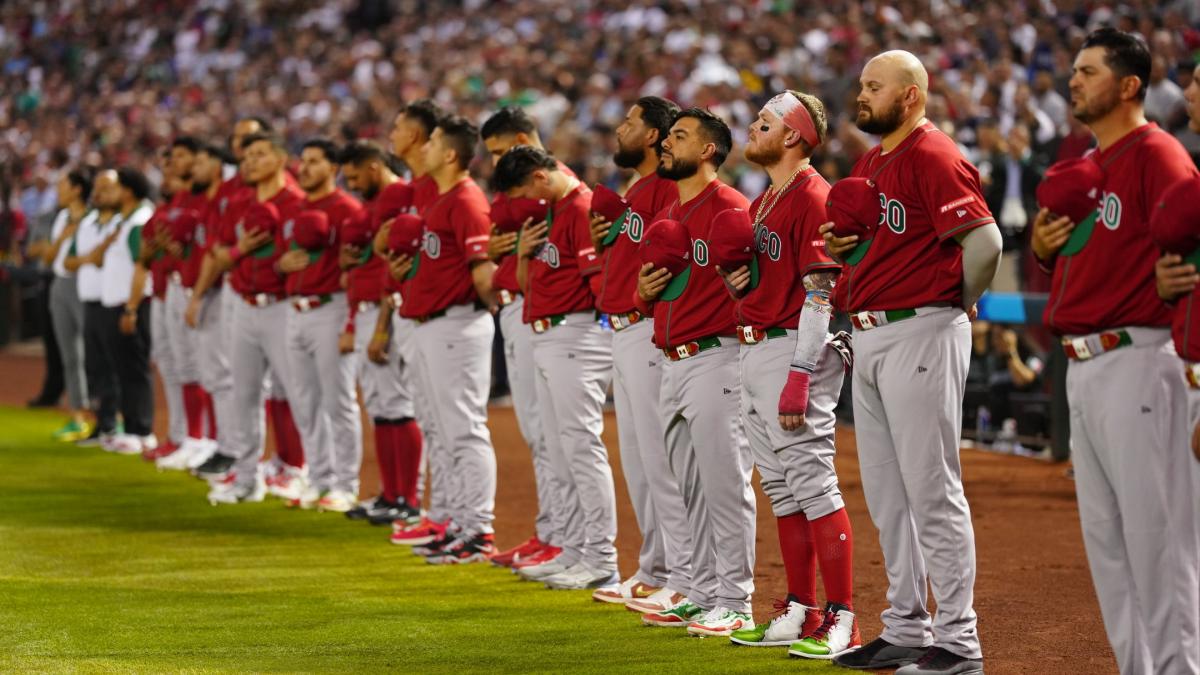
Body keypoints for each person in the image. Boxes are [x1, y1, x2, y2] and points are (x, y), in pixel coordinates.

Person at [820, 49, 1001, 674]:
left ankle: (958, 641)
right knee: (888, 493)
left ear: (911, 96)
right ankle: (905, 625)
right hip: (870, 333)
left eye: (876, 86)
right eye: (863, 84)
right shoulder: (873, 161)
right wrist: (846, 245)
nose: (862, 95)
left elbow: (985, 240)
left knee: (931, 489)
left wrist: (960, 301)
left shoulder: (932, 153)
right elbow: (877, 240)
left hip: (921, 327)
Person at [1031, 28, 1199, 675]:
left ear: (1129, 86)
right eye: (1073, 69)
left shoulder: (1157, 153)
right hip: (1084, 363)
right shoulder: (1083, 166)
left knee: (1158, 541)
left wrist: (1173, 278)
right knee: (1108, 545)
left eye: (1089, 70)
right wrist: (1046, 248)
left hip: (1139, 355)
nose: (1074, 79)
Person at [715, 91, 858, 658]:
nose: (751, 129)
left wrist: (802, 373)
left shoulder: (814, 196)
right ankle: (802, 607)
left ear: (794, 135)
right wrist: (736, 283)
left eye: (764, 122)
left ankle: (842, 616)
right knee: (780, 487)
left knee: (813, 483)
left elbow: (820, 292)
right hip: (756, 346)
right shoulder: (763, 203)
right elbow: (759, 285)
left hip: (792, 347)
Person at [633, 108, 757, 638]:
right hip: (672, 358)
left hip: (717, 356)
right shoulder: (673, 215)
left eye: (679, 137)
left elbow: (755, 288)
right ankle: (703, 590)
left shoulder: (730, 207)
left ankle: (737, 600)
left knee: (726, 486)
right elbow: (651, 298)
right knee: (690, 487)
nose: (666, 144)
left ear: (708, 151)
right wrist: (642, 294)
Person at [492, 146, 619, 590]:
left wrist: (608, 338)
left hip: (576, 335)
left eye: (524, 190)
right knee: (561, 449)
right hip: (547, 333)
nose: (523, 200)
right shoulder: (554, 210)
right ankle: (574, 549)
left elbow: (599, 284)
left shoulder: (580, 207)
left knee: (580, 448)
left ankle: (602, 558)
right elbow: (532, 283)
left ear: (540, 179)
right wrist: (524, 255)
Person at [587, 97, 693, 607]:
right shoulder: (639, 189)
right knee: (640, 461)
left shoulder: (667, 188)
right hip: (622, 331)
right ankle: (655, 564)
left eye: (630, 122)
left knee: (663, 460)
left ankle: (683, 574)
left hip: (649, 331)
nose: (620, 128)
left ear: (653, 135)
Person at [387, 115, 498, 563]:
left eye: (431, 141)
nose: (425, 147)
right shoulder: (441, 199)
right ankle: (455, 519)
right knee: (441, 428)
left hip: (456, 323)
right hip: (433, 323)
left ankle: (477, 529)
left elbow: (483, 275)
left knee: (463, 429)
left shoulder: (467, 200)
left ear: (450, 153)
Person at [477, 106, 562, 569]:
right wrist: (495, 247)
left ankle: (562, 536)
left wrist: (500, 247)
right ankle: (550, 531)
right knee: (537, 432)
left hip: (541, 312)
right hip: (514, 308)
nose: (497, 162)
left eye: (503, 149)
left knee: (550, 433)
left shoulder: (550, 186)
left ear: (528, 137)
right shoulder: (513, 191)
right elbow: (491, 243)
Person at [208, 131, 306, 504]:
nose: (250, 162)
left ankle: (301, 471)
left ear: (280, 160)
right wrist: (241, 249)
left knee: (299, 393)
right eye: (247, 156)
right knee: (244, 394)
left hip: (282, 306)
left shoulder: (296, 201)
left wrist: (284, 265)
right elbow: (219, 256)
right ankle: (248, 478)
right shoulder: (238, 202)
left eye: (260, 154)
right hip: (243, 304)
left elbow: (306, 256)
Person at [340, 136, 426, 527]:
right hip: (366, 309)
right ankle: (391, 493)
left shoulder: (399, 197)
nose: (352, 184)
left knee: (396, 403)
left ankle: (407, 498)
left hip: (385, 311)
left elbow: (394, 268)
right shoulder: (377, 203)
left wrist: (380, 327)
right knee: (380, 404)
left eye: (355, 176)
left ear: (373, 166)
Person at [279, 138, 365, 512]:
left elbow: (357, 266)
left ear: (334, 168)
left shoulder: (347, 208)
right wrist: (282, 266)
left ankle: (346, 485)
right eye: (304, 160)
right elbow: (285, 258)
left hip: (331, 307)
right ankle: (319, 478)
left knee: (338, 401)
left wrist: (350, 322)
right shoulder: (297, 207)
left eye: (315, 161)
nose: (306, 168)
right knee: (305, 401)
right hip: (294, 310)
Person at [63, 170, 123, 448]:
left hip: (115, 301)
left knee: (116, 366)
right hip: (90, 301)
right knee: (95, 367)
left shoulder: (124, 222)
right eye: (97, 189)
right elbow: (68, 262)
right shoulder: (87, 223)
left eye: (106, 188)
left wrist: (89, 259)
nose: (98, 194)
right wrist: (92, 256)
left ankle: (120, 425)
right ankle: (103, 425)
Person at [100, 168, 157, 454]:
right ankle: (130, 426)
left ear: (129, 191)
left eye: (117, 188)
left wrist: (132, 308)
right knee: (123, 369)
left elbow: (141, 267)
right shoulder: (124, 221)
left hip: (131, 304)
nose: (111, 193)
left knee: (135, 369)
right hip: (119, 303)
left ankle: (142, 430)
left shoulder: (139, 221)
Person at [42, 168, 94, 442]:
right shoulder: (62, 217)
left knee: (95, 353)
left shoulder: (94, 217)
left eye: (62, 185)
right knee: (69, 355)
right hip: (60, 283)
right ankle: (77, 414)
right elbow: (49, 257)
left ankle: (109, 415)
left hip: (84, 284)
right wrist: (63, 236)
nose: (58, 191)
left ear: (77, 189)